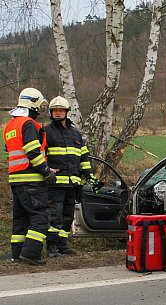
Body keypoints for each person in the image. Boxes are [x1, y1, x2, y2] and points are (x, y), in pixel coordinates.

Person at [3, 88, 56, 266]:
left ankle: (17, 253)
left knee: (21, 219)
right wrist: (46, 172)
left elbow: (12, 152)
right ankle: (31, 253)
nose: (40, 110)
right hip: (32, 180)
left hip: (16, 179)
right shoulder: (29, 124)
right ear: (33, 103)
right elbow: (32, 151)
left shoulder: (10, 125)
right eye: (39, 105)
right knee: (40, 216)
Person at [43, 96, 99, 257]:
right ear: (51, 113)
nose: (58, 113)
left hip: (72, 183)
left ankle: (62, 245)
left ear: (67, 112)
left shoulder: (75, 133)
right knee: (55, 216)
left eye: (61, 110)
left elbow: (84, 157)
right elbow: (40, 155)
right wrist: (46, 171)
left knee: (67, 216)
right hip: (55, 184)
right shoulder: (46, 132)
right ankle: (52, 246)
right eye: (55, 111)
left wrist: (90, 176)